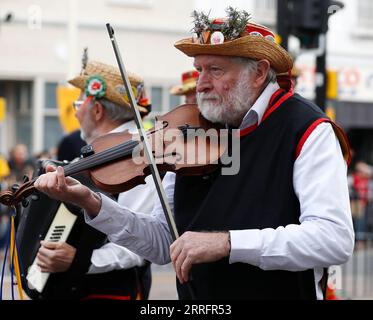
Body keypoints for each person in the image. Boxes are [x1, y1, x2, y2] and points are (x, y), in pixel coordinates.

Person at [34, 8, 354, 300]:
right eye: (199, 69)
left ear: (258, 73)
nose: (200, 85)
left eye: (215, 70)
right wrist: (92, 202)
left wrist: (227, 243)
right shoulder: (190, 135)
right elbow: (163, 242)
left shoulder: (307, 129)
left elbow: (333, 238)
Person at [21, 60, 155, 300]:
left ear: (97, 110)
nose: (75, 111)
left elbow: (141, 244)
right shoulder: (92, 154)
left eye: (79, 103)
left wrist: (81, 260)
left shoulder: (139, 158)